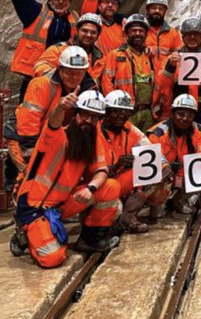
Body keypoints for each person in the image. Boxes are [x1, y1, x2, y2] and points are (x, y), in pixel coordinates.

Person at [12, 90, 120, 267]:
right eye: (85, 115)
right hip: (34, 207)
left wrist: (90, 188)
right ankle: (25, 234)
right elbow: (53, 122)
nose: (89, 121)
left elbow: (102, 170)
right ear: (75, 114)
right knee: (53, 258)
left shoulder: (90, 140)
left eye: (95, 118)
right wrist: (60, 106)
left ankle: (90, 240)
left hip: (61, 205)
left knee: (110, 187)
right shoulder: (56, 137)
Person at [12, 46, 97, 192]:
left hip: (56, 137)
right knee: (30, 177)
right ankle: (23, 204)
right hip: (24, 138)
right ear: (60, 69)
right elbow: (28, 125)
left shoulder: (90, 88)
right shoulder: (41, 85)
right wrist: (33, 159)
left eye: (78, 73)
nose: (74, 77)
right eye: (69, 72)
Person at [9, 0, 80, 100]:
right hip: (34, 77)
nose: (61, 2)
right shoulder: (35, 13)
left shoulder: (74, 22)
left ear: (70, 1)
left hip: (63, 79)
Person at [97, 90, 155, 234]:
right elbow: (89, 172)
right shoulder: (93, 131)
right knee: (114, 207)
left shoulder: (129, 129)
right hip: (99, 186)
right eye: (116, 111)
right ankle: (102, 225)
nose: (121, 116)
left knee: (156, 169)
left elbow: (150, 152)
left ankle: (129, 217)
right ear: (106, 111)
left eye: (125, 112)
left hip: (118, 181)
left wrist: (136, 160)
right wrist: (116, 166)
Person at [147, 94, 201, 215]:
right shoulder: (157, 134)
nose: (185, 118)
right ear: (172, 114)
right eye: (181, 114)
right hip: (164, 176)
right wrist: (166, 166)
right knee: (164, 172)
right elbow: (151, 164)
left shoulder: (198, 130)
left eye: (189, 115)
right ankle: (156, 204)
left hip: (182, 174)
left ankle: (181, 200)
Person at [157, 17, 201, 131]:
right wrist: (170, 66)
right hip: (178, 115)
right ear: (183, 36)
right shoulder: (171, 59)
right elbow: (162, 86)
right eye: (188, 34)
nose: (192, 37)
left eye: (196, 34)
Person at [101, 14, 159, 131]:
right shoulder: (116, 55)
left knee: (147, 145)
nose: (137, 34)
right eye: (133, 31)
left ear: (146, 34)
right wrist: (115, 109)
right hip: (125, 112)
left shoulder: (151, 56)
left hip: (148, 112)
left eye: (141, 31)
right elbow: (106, 82)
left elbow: (159, 82)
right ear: (127, 33)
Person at [34, 13, 105, 81]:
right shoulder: (58, 49)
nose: (88, 35)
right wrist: (64, 77)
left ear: (98, 35)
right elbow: (40, 68)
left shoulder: (99, 58)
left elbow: (96, 83)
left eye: (93, 32)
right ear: (77, 31)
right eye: (84, 31)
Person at [145, 0, 183, 70]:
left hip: (166, 75)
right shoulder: (140, 31)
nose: (157, 11)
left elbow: (180, 53)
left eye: (161, 9)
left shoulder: (172, 33)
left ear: (165, 11)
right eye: (153, 8)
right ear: (148, 10)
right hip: (144, 74)